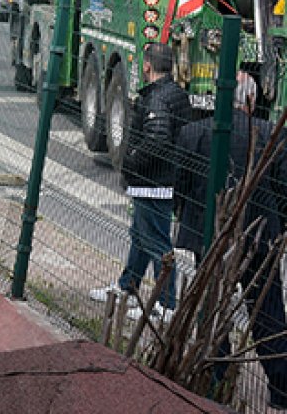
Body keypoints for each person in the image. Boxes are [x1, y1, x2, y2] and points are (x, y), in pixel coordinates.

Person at [174, 73, 287, 410]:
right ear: (252, 101)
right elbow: (284, 188)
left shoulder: (192, 132)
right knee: (267, 313)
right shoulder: (269, 134)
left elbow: (180, 183)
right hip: (259, 236)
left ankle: (214, 380)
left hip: (209, 236)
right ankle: (281, 389)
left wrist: (188, 221)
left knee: (212, 308)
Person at [90, 43, 193, 319]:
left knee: (157, 242)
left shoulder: (157, 99)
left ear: (147, 65)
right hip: (161, 181)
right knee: (140, 236)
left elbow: (157, 139)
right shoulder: (176, 94)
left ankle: (166, 305)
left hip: (153, 183)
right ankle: (128, 286)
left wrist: (131, 162)